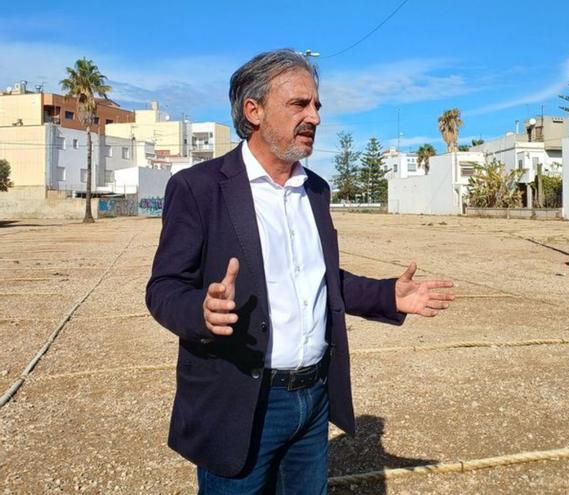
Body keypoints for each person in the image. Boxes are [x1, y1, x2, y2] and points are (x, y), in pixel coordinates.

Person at [145, 49, 454, 494]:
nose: (315, 116)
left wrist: (390, 296)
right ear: (253, 111)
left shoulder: (315, 189)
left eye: (317, 105)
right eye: (299, 104)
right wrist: (201, 311)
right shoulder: (198, 188)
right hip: (241, 401)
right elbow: (164, 287)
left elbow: (322, 279)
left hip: (312, 400)